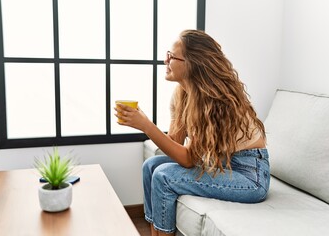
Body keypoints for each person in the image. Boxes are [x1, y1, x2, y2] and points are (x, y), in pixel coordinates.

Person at [114, 29, 270, 236]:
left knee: (164, 176)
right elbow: (175, 143)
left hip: (250, 175)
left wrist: (146, 126)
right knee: (151, 166)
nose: (165, 61)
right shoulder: (181, 95)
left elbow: (188, 159)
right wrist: (143, 121)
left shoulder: (214, 101)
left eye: (171, 56)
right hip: (222, 162)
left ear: (192, 64)